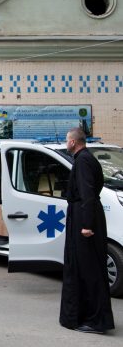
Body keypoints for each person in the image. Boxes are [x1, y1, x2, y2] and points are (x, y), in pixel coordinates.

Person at [59, 127, 114, 334]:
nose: (66, 143)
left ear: (73, 142)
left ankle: (95, 321)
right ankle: (86, 317)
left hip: (84, 220)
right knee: (84, 268)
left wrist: (87, 225)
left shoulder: (83, 161)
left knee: (89, 269)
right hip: (83, 216)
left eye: (67, 140)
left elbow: (87, 193)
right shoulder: (86, 159)